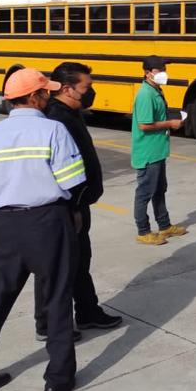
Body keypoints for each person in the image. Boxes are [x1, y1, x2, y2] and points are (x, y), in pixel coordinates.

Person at [0, 68, 84, 391]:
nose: (48, 97)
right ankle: (57, 381)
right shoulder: (52, 129)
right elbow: (72, 182)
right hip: (45, 222)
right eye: (45, 93)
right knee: (56, 298)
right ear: (34, 97)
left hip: (2, 226)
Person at [34, 62, 123, 340]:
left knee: (80, 261)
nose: (91, 92)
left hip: (79, 203)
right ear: (68, 88)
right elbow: (56, 171)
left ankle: (87, 312)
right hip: (65, 206)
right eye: (86, 87)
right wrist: (72, 208)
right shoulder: (55, 119)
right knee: (56, 266)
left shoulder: (71, 112)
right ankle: (48, 324)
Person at [131, 55, 187, 244]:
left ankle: (164, 225)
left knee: (159, 190)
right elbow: (144, 125)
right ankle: (143, 231)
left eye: (164, 69)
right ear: (148, 73)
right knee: (145, 192)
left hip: (158, 150)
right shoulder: (145, 94)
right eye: (159, 70)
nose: (163, 73)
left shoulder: (155, 91)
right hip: (148, 152)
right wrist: (170, 123)